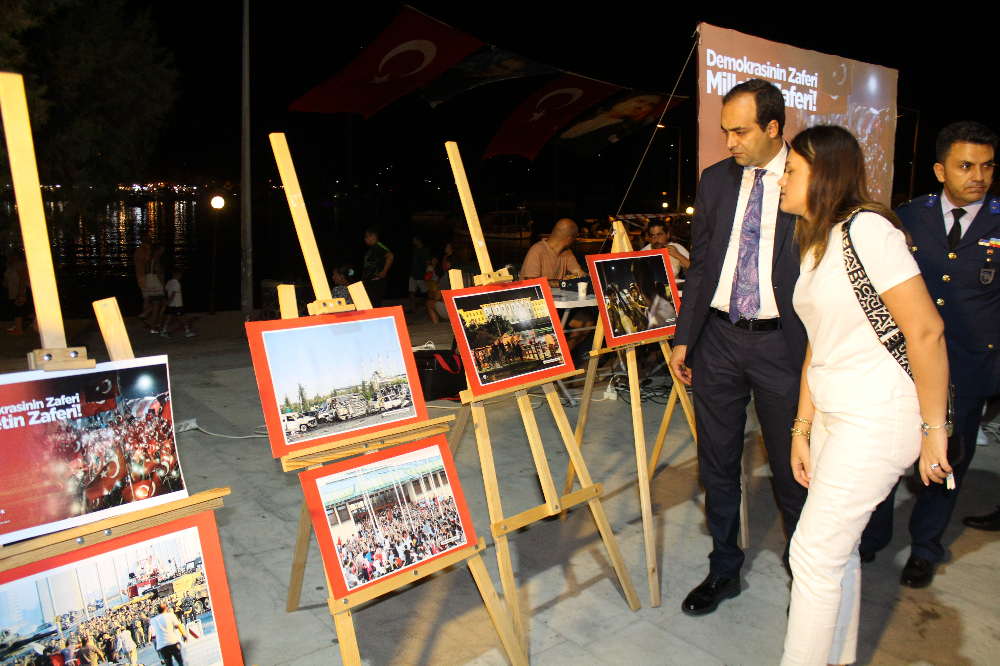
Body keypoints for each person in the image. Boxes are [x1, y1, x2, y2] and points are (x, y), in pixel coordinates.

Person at [776, 125, 949, 666]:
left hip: (878, 414)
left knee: (811, 553)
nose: (781, 180)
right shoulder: (815, 242)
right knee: (837, 553)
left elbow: (925, 331)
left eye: (791, 170)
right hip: (832, 413)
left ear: (823, 175)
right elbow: (816, 347)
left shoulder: (870, 230)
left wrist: (934, 429)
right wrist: (801, 429)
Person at [668, 78, 808, 616]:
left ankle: (808, 574)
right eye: (725, 130)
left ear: (774, 129)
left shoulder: (806, 178)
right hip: (720, 340)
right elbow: (702, 264)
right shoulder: (716, 181)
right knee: (718, 463)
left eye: (740, 131)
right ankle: (724, 568)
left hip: (782, 348)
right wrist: (686, 337)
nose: (729, 142)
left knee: (792, 468)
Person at [859, 121, 1000, 586]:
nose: (977, 175)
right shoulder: (907, 218)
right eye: (965, 166)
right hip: (904, 365)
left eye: (986, 166)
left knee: (946, 464)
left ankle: (924, 547)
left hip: (968, 366)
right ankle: (874, 537)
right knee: (887, 454)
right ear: (940, 170)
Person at [521, 218, 594, 350]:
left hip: (558, 306)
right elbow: (531, 283)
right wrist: (562, 283)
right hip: (537, 308)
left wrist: (573, 279)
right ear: (569, 239)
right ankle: (558, 357)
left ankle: (565, 354)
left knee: (587, 323)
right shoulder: (537, 250)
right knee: (559, 325)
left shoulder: (566, 253)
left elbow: (582, 274)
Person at [4, 249, 35, 335]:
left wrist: (20, 293)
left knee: (19, 309)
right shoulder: (11, 266)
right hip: (14, 290)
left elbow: (23, 278)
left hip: (21, 290)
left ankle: (19, 329)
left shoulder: (20, 265)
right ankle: (38, 322)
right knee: (23, 310)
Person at [160, 268, 197, 338]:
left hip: (172, 304)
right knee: (183, 316)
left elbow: (165, 289)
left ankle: (164, 331)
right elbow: (173, 294)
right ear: (178, 275)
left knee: (169, 316)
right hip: (178, 304)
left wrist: (167, 300)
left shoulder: (169, 282)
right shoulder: (177, 284)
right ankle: (187, 331)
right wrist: (167, 301)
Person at [148, 601, 188, 666]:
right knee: (180, 660)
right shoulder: (170, 615)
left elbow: (148, 620)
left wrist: (143, 617)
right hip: (172, 642)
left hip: (163, 645)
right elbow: (179, 626)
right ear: (166, 609)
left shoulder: (155, 619)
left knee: (168, 663)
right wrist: (185, 636)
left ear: (158, 611)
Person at [362, 228, 393, 308]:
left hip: (376, 282)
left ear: (373, 237)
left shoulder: (378, 246)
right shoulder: (372, 249)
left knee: (373, 306)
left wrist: (384, 272)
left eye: (367, 237)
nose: (365, 239)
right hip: (369, 282)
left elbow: (390, 256)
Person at [145, 243, 167, 333]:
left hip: (150, 284)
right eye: (161, 249)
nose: (163, 251)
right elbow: (158, 273)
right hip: (156, 285)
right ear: (157, 250)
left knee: (156, 305)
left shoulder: (150, 260)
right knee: (158, 305)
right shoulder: (156, 260)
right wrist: (163, 284)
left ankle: (154, 325)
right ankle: (154, 326)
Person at [409, 235, 430, 313]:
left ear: (418, 240)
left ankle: (430, 306)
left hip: (421, 275)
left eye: (415, 240)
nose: (413, 242)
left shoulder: (425, 250)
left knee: (425, 292)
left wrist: (427, 273)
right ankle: (412, 308)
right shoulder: (415, 250)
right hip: (413, 274)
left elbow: (427, 262)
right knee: (411, 291)